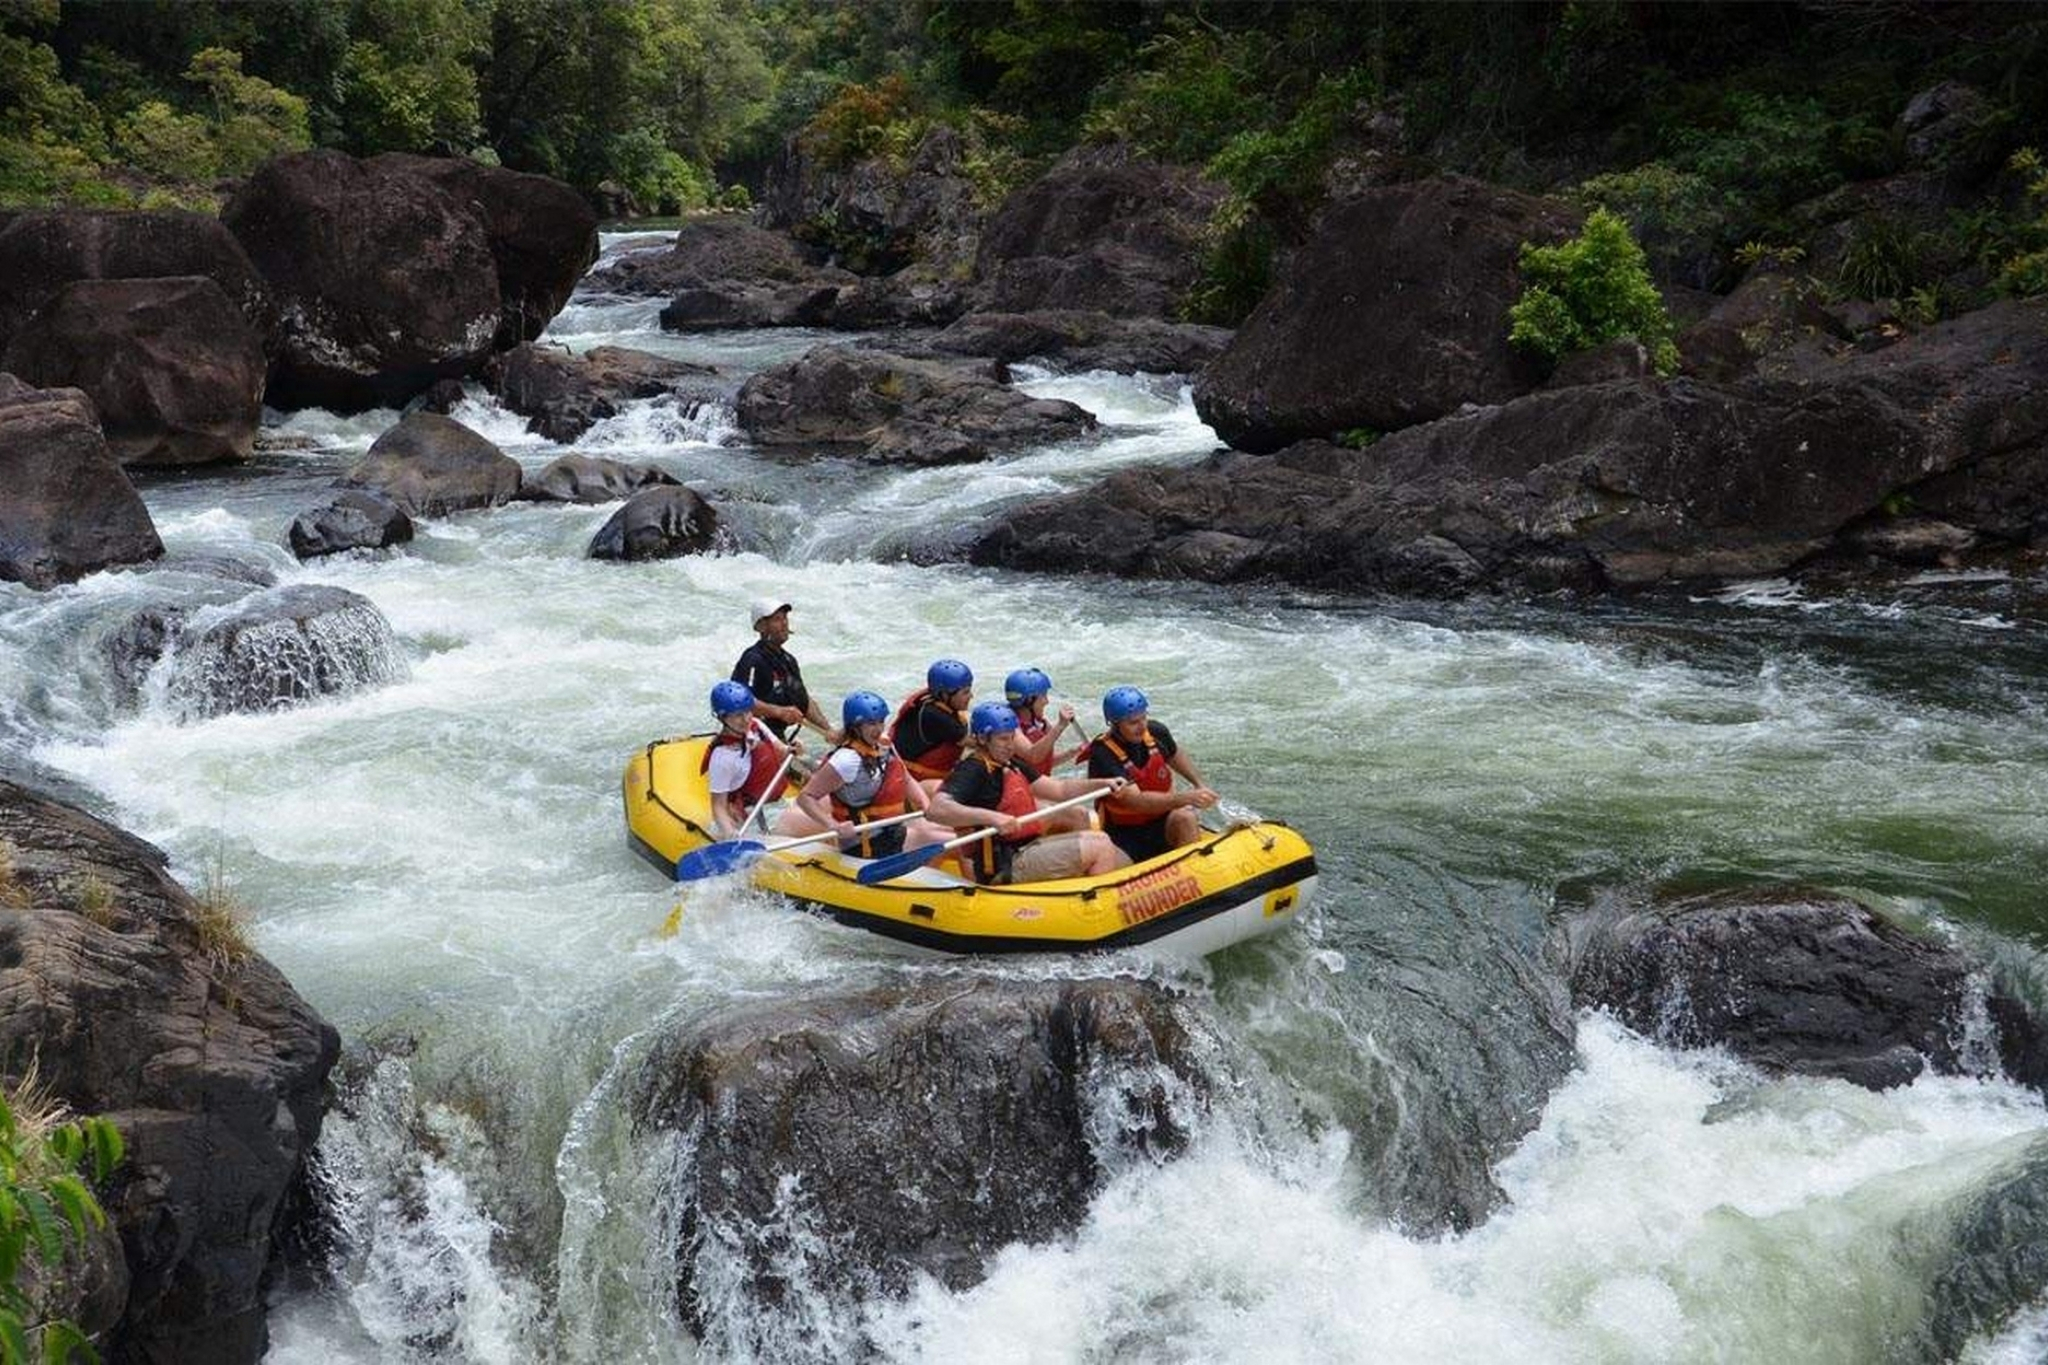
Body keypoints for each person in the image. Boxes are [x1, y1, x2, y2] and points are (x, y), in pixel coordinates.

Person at [927, 701, 1130, 885]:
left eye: (1012, 737)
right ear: (982, 738)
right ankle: (1092, 911)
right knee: (1100, 848)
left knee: (1106, 844)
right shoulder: (973, 769)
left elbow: (1059, 790)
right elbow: (937, 809)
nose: (1010, 744)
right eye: (1003, 739)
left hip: (1025, 848)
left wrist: (1103, 783)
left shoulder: (1009, 763)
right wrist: (992, 817)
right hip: (1004, 864)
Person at [773, 691, 950, 860]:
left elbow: (906, 779)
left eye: (881, 722)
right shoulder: (845, 760)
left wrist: (925, 807)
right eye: (871, 724)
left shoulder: (882, 747)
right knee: (945, 841)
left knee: (948, 833)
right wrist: (833, 825)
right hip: (864, 846)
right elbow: (806, 798)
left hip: (891, 835)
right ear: (856, 727)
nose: (878, 729)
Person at [1084, 685, 1219, 864]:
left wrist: (1199, 784)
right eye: (1133, 722)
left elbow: (1175, 754)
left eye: (1143, 718)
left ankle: (1195, 874)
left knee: (1185, 817)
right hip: (1124, 837)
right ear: (1115, 724)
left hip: (1164, 824)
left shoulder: (1156, 732)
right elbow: (1136, 802)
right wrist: (1186, 798)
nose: (1141, 727)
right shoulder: (1103, 754)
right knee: (1107, 866)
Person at [731, 596, 831, 742]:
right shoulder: (752, 659)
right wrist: (779, 712)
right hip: (751, 737)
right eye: (777, 619)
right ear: (760, 626)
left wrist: (828, 730)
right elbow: (739, 700)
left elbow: (804, 701)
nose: (784, 624)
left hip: (776, 738)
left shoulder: (788, 660)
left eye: (785, 618)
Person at [703, 681, 794, 839]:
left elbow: (781, 749)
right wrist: (730, 834)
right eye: (738, 715)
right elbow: (718, 806)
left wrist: (792, 749)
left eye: (747, 712)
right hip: (747, 817)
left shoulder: (756, 726)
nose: (745, 719)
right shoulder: (722, 757)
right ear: (722, 717)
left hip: (773, 804)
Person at [891, 658, 974, 789]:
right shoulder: (935, 716)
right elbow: (978, 744)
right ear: (945, 695)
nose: (971, 696)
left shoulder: (932, 700)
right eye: (965, 692)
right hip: (915, 780)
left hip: (915, 763)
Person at [1004, 666, 1079, 772]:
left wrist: (1074, 752)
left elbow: (1045, 762)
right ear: (1030, 700)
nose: (1046, 701)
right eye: (1043, 696)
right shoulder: (1008, 726)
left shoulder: (1040, 723)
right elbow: (1033, 756)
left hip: (1037, 782)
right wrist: (1060, 726)